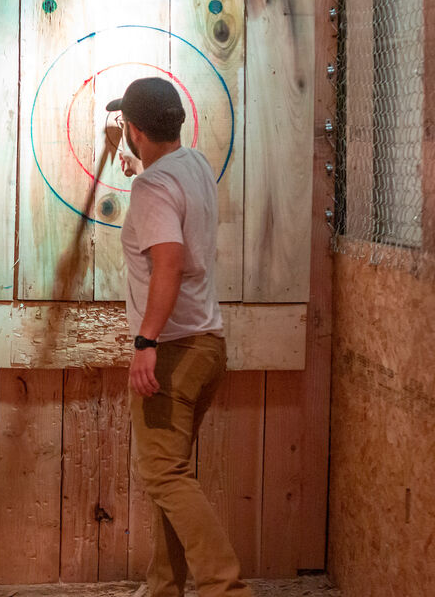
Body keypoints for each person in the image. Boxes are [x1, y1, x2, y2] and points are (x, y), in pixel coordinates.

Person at [108, 77, 252, 597]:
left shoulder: (152, 188)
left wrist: (145, 342)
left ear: (135, 131)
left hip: (172, 350)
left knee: (165, 475)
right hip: (207, 346)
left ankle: (226, 590)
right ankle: (165, 585)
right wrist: (138, 168)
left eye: (126, 125)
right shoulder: (191, 166)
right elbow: (168, 202)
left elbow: (167, 263)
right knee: (172, 474)